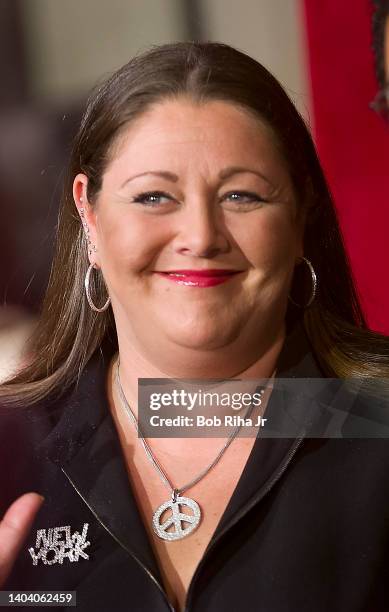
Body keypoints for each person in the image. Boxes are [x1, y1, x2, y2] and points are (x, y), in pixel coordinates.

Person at [1, 40, 389, 612]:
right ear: (89, 213)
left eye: (242, 195)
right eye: (155, 196)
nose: (201, 236)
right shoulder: (11, 446)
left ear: (301, 212)